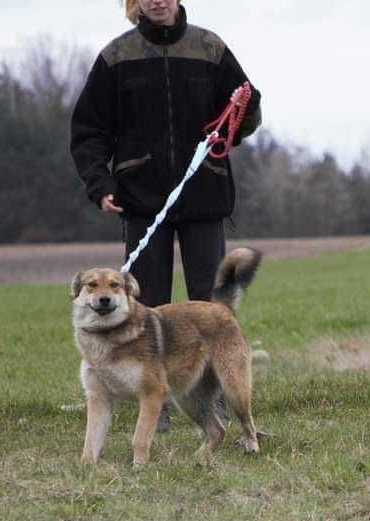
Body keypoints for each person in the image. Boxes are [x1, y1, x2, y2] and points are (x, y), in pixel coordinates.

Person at [71, 0, 262, 430]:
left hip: (204, 191)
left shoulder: (210, 47)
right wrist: (99, 185)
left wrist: (243, 114)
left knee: (209, 306)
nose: (157, 0)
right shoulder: (116, 55)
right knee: (145, 302)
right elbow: (88, 130)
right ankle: (152, 405)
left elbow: (247, 114)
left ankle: (214, 400)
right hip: (141, 198)